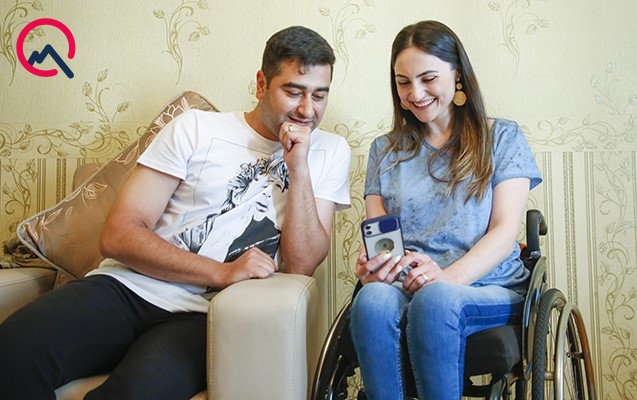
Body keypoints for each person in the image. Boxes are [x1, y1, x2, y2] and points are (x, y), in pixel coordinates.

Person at [0, 26, 351, 400]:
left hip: (204, 316)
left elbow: (302, 264)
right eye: (293, 92)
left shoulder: (330, 151)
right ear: (261, 83)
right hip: (127, 288)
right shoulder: (196, 128)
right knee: (11, 353)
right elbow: (119, 235)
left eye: (319, 95)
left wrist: (299, 169)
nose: (307, 110)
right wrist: (221, 271)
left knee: (135, 394)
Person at [348, 20, 542, 399]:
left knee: (435, 300)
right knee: (370, 300)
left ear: (457, 76)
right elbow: (383, 240)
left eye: (428, 78)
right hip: (409, 286)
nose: (415, 93)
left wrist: (446, 277)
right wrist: (376, 268)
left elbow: (504, 232)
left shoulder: (501, 138)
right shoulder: (384, 151)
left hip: (488, 286)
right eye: (403, 82)